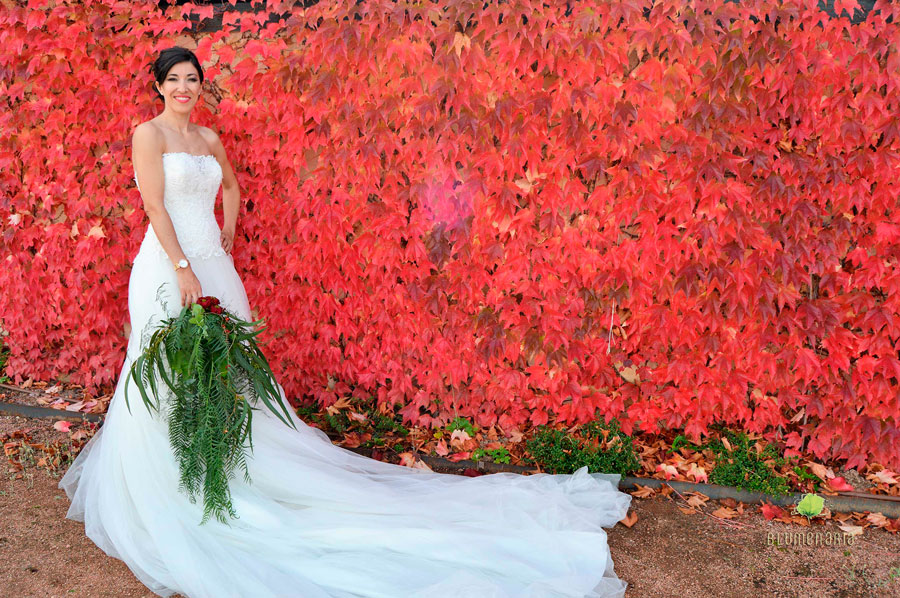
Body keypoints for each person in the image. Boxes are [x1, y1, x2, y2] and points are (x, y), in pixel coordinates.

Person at [59, 46, 633, 598]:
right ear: (159, 85)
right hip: (167, 266)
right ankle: (176, 482)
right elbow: (156, 207)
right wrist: (185, 267)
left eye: (192, 79)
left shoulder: (208, 138)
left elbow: (231, 186)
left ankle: (229, 471)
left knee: (232, 375)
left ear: (200, 85)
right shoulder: (149, 135)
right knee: (167, 375)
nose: (184, 89)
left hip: (214, 264)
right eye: (174, 79)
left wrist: (224, 236)